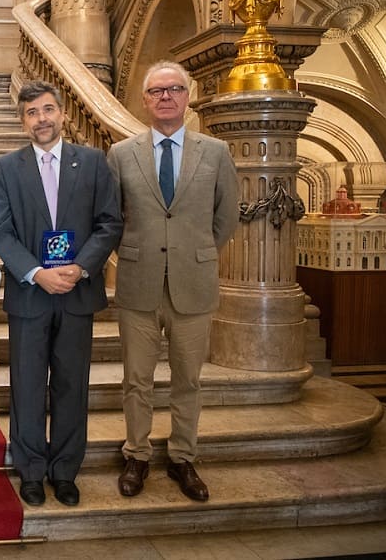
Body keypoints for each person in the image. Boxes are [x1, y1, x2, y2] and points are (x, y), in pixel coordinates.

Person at [106, 60, 239, 502]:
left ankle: (183, 456)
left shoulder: (215, 152)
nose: (166, 96)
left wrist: (196, 252)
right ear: (144, 100)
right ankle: (137, 454)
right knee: (136, 380)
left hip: (193, 284)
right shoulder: (121, 154)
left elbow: (226, 217)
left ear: (187, 96)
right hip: (138, 284)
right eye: (157, 91)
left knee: (188, 380)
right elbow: (110, 218)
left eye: (175, 89)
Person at [0, 80, 122, 507]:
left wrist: (80, 267)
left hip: (77, 292)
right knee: (26, 386)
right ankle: (30, 470)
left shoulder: (94, 161)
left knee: (71, 385)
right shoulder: (7, 166)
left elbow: (109, 223)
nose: (41, 119)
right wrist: (34, 273)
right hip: (30, 296)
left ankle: (65, 471)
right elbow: (3, 233)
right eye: (31, 113)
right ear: (22, 120)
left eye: (47, 110)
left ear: (62, 114)